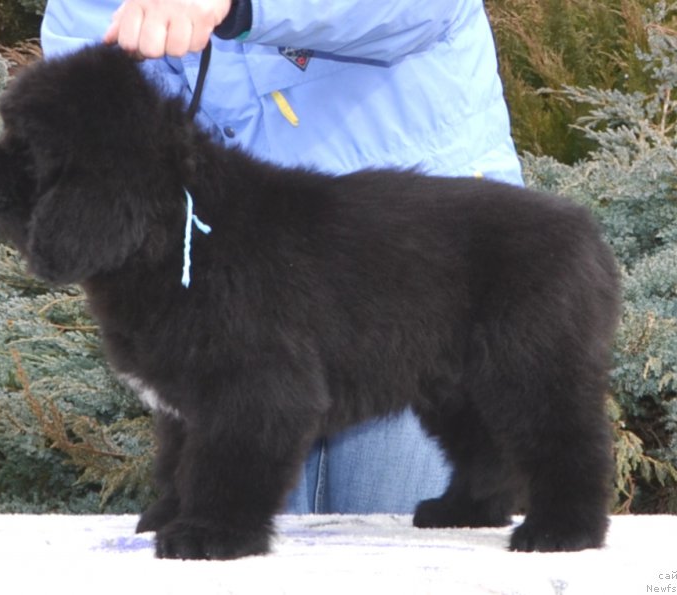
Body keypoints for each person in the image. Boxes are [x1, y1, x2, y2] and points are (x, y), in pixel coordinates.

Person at [39, 0, 523, 514]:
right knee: (231, 553)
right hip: (233, 295)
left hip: (410, 267)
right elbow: (91, 76)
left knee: (412, 565)